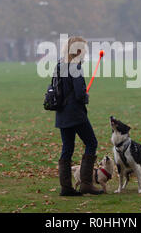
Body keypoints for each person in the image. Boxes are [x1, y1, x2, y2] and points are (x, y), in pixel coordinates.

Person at [56, 36, 103, 196]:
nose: (86, 52)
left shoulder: (60, 65)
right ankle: (86, 184)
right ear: (78, 50)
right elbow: (79, 94)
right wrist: (85, 96)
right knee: (91, 142)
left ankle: (66, 188)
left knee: (67, 148)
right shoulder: (75, 67)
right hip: (75, 113)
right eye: (84, 49)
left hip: (61, 113)